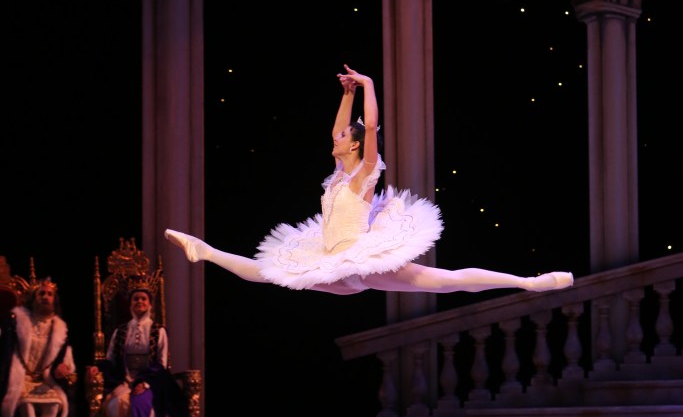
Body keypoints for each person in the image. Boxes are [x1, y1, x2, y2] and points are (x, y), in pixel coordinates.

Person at [165, 65, 574, 296]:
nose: (336, 138)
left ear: (357, 145)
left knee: (447, 282)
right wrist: (346, 94)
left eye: (344, 136)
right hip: (334, 262)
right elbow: (337, 129)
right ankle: (206, 252)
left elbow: (372, 125)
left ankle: (528, 283)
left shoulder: (364, 172)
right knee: (270, 271)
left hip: (364, 260)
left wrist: (368, 86)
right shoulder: (338, 175)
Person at [87, 284, 196, 417]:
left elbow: (161, 364)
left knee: (140, 403)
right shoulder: (120, 331)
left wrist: (144, 383)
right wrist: (97, 368)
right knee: (116, 405)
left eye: (143, 299)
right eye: (136, 299)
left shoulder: (158, 331)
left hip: (151, 382)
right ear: (130, 303)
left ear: (150, 304)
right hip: (124, 381)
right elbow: (110, 359)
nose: (139, 302)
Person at [0, 278, 78, 417]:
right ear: (33, 299)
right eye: (41, 293)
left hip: (41, 379)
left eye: (49, 294)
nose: (45, 297)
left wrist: (63, 368)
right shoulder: (17, 321)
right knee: (25, 403)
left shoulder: (59, 328)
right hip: (17, 377)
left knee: (54, 404)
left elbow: (62, 358)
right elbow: (5, 351)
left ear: (54, 300)